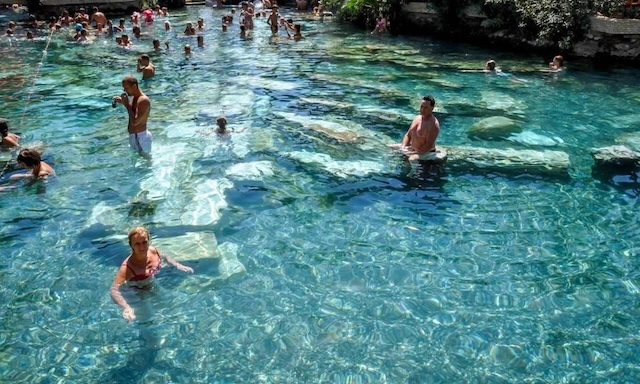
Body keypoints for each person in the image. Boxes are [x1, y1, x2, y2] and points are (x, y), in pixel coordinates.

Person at [110, 227, 193, 322]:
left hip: (150, 282)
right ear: (131, 245)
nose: (142, 247)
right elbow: (114, 290)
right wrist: (126, 307)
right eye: (137, 244)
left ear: (149, 241)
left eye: (144, 242)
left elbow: (164, 258)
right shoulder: (128, 267)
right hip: (134, 290)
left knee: (170, 304)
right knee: (148, 317)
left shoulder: (153, 251)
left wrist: (177, 265)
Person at [112, 75, 152, 153]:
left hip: (140, 137)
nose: (124, 91)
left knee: (145, 162)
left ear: (134, 86)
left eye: (126, 88)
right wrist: (123, 102)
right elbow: (132, 111)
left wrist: (126, 104)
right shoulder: (135, 98)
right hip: (136, 137)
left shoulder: (143, 100)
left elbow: (135, 122)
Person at [397, 95, 440, 161]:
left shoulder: (433, 124)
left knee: (412, 159)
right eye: (421, 106)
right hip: (413, 148)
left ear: (432, 108)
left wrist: (414, 153)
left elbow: (428, 144)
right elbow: (408, 135)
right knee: (389, 147)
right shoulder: (417, 118)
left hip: (426, 152)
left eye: (426, 108)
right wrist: (403, 147)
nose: (422, 109)